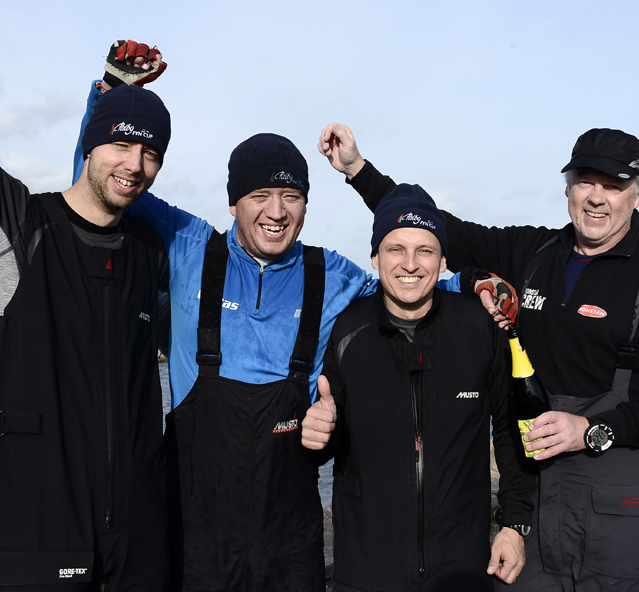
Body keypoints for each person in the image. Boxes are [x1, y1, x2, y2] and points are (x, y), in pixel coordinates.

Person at [71, 59, 519, 590]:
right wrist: (109, 95)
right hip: (194, 533)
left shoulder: (329, 274)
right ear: (233, 201)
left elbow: (406, 282)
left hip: (290, 538)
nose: (276, 211)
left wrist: (468, 284)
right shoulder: (187, 246)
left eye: (292, 197)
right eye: (260, 196)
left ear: (306, 204)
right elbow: (100, 181)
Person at [318, 123, 639, 592]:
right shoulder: (533, 252)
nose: (596, 198)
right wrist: (357, 170)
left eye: (613, 186)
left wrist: (591, 431)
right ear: (568, 188)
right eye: (585, 182)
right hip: (539, 491)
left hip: (621, 503)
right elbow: (435, 233)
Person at [0, 1, 172, 590]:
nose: (135, 165)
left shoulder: (150, 250)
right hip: (37, 551)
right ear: (90, 145)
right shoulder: (17, 230)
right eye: (121, 146)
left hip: (140, 554)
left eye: (150, 153)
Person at [300, 184, 535, 591]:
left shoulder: (479, 329)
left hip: (461, 565)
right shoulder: (346, 331)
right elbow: (334, 444)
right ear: (375, 257)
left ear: (443, 259)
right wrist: (320, 433)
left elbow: (511, 428)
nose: (410, 264)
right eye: (395, 249)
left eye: (425, 250)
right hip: (366, 568)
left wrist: (515, 524)